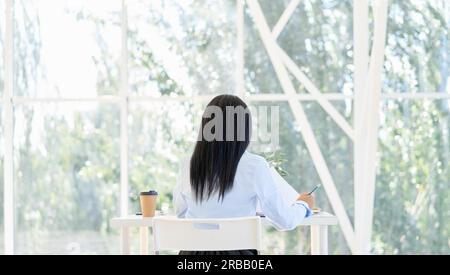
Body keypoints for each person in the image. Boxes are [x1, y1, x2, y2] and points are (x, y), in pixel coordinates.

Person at [173, 94, 314, 255]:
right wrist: (303, 204)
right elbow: (284, 221)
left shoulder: (187, 165)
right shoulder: (255, 165)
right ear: (244, 129)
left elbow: (180, 212)